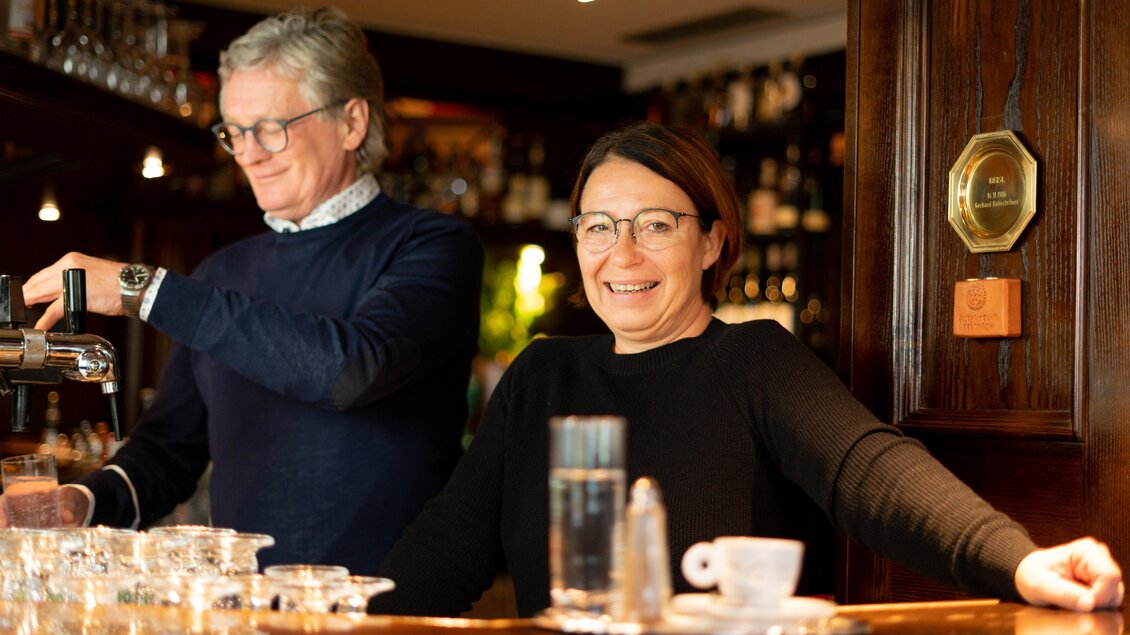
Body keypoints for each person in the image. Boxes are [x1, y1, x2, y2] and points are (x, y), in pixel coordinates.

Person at [368, 121, 1122, 616]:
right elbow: (444, 552)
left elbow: (875, 473)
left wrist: (1019, 562)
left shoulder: (752, 358)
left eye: (655, 225)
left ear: (712, 242)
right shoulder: (541, 377)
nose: (620, 253)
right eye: (598, 226)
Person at [2, 7, 483, 577]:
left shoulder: (431, 244)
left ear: (352, 122)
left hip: (390, 609)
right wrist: (82, 501)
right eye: (234, 131)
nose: (249, 153)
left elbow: (351, 368)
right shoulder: (220, 272)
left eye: (271, 127)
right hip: (245, 605)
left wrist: (142, 288)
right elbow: (170, 450)